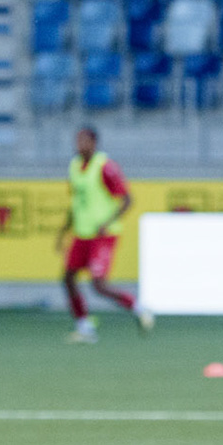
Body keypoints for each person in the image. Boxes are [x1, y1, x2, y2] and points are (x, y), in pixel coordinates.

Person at [58, 126, 151, 342]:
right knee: (68, 278)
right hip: (81, 234)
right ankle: (84, 326)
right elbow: (76, 203)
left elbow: (127, 199)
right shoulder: (74, 166)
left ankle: (138, 308)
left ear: (94, 142)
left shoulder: (105, 167)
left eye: (83, 140)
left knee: (98, 285)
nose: (79, 144)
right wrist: (64, 230)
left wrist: (107, 222)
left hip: (103, 235)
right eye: (77, 139)